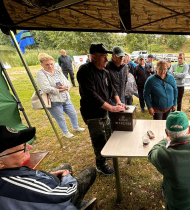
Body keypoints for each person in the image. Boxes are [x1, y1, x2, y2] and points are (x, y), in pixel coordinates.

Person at [0, 125, 96, 210]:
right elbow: (62, 196)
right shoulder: (16, 186)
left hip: (46, 196)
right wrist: (67, 178)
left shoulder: (8, 169)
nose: (30, 147)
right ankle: (75, 204)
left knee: (66, 166)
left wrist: (48, 175)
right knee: (90, 171)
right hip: (58, 199)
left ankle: (75, 203)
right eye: (23, 147)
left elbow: (26, 178)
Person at [77, 43, 125, 175]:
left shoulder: (105, 72)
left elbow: (112, 89)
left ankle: (107, 154)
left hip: (104, 111)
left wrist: (118, 102)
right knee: (98, 139)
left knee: (107, 134)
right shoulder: (85, 70)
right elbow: (91, 95)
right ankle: (101, 165)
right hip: (92, 113)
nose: (106, 59)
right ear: (93, 57)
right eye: (103, 56)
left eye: (107, 56)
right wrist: (111, 108)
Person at [36, 53, 85, 138]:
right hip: (54, 100)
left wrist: (66, 87)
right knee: (60, 118)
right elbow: (46, 88)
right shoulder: (41, 74)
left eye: (51, 64)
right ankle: (66, 132)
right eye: (47, 64)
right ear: (42, 64)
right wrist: (59, 90)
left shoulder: (57, 71)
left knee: (73, 113)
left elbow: (67, 83)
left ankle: (76, 127)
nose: (50, 66)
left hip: (66, 98)